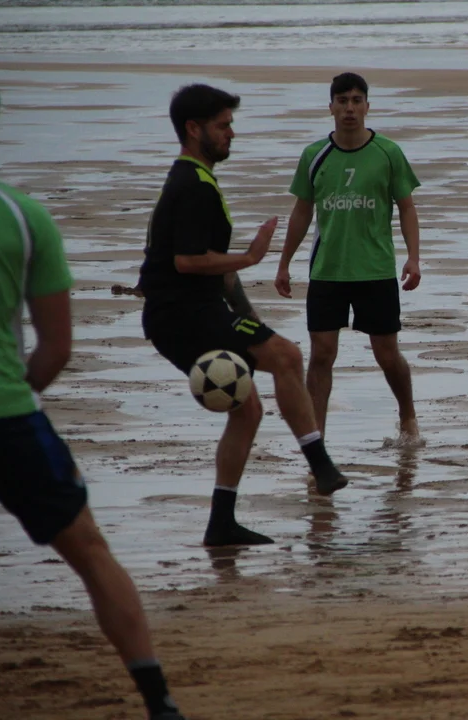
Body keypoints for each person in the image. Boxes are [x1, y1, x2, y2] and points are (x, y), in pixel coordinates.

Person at [0, 70, 186, 720]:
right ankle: (159, 702)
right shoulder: (22, 215)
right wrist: (9, 391)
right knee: (88, 550)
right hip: (2, 412)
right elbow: (55, 348)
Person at [139, 83, 348, 548]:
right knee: (288, 356)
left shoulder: (197, 179)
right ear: (193, 129)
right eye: (222, 126)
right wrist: (252, 256)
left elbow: (214, 266)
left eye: (230, 124)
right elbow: (187, 262)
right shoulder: (191, 186)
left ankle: (221, 523)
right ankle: (321, 465)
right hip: (182, 315)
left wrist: (249, 316)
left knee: (249, 409)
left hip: (193, 310)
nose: (231, 133)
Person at [275, 72, 423, 449]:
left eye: (357, 101)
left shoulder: (388, 152)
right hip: (328, 270)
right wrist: (284, 262)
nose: (350, 109)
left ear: (367, 106)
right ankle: (316, 440)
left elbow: (407, 207)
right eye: (342, 101)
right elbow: (301, 211)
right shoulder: (314, 155)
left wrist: (414, 258)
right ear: (331, 107)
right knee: (321, 354)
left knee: (387, 354)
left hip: (376, 270)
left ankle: (408, 415)